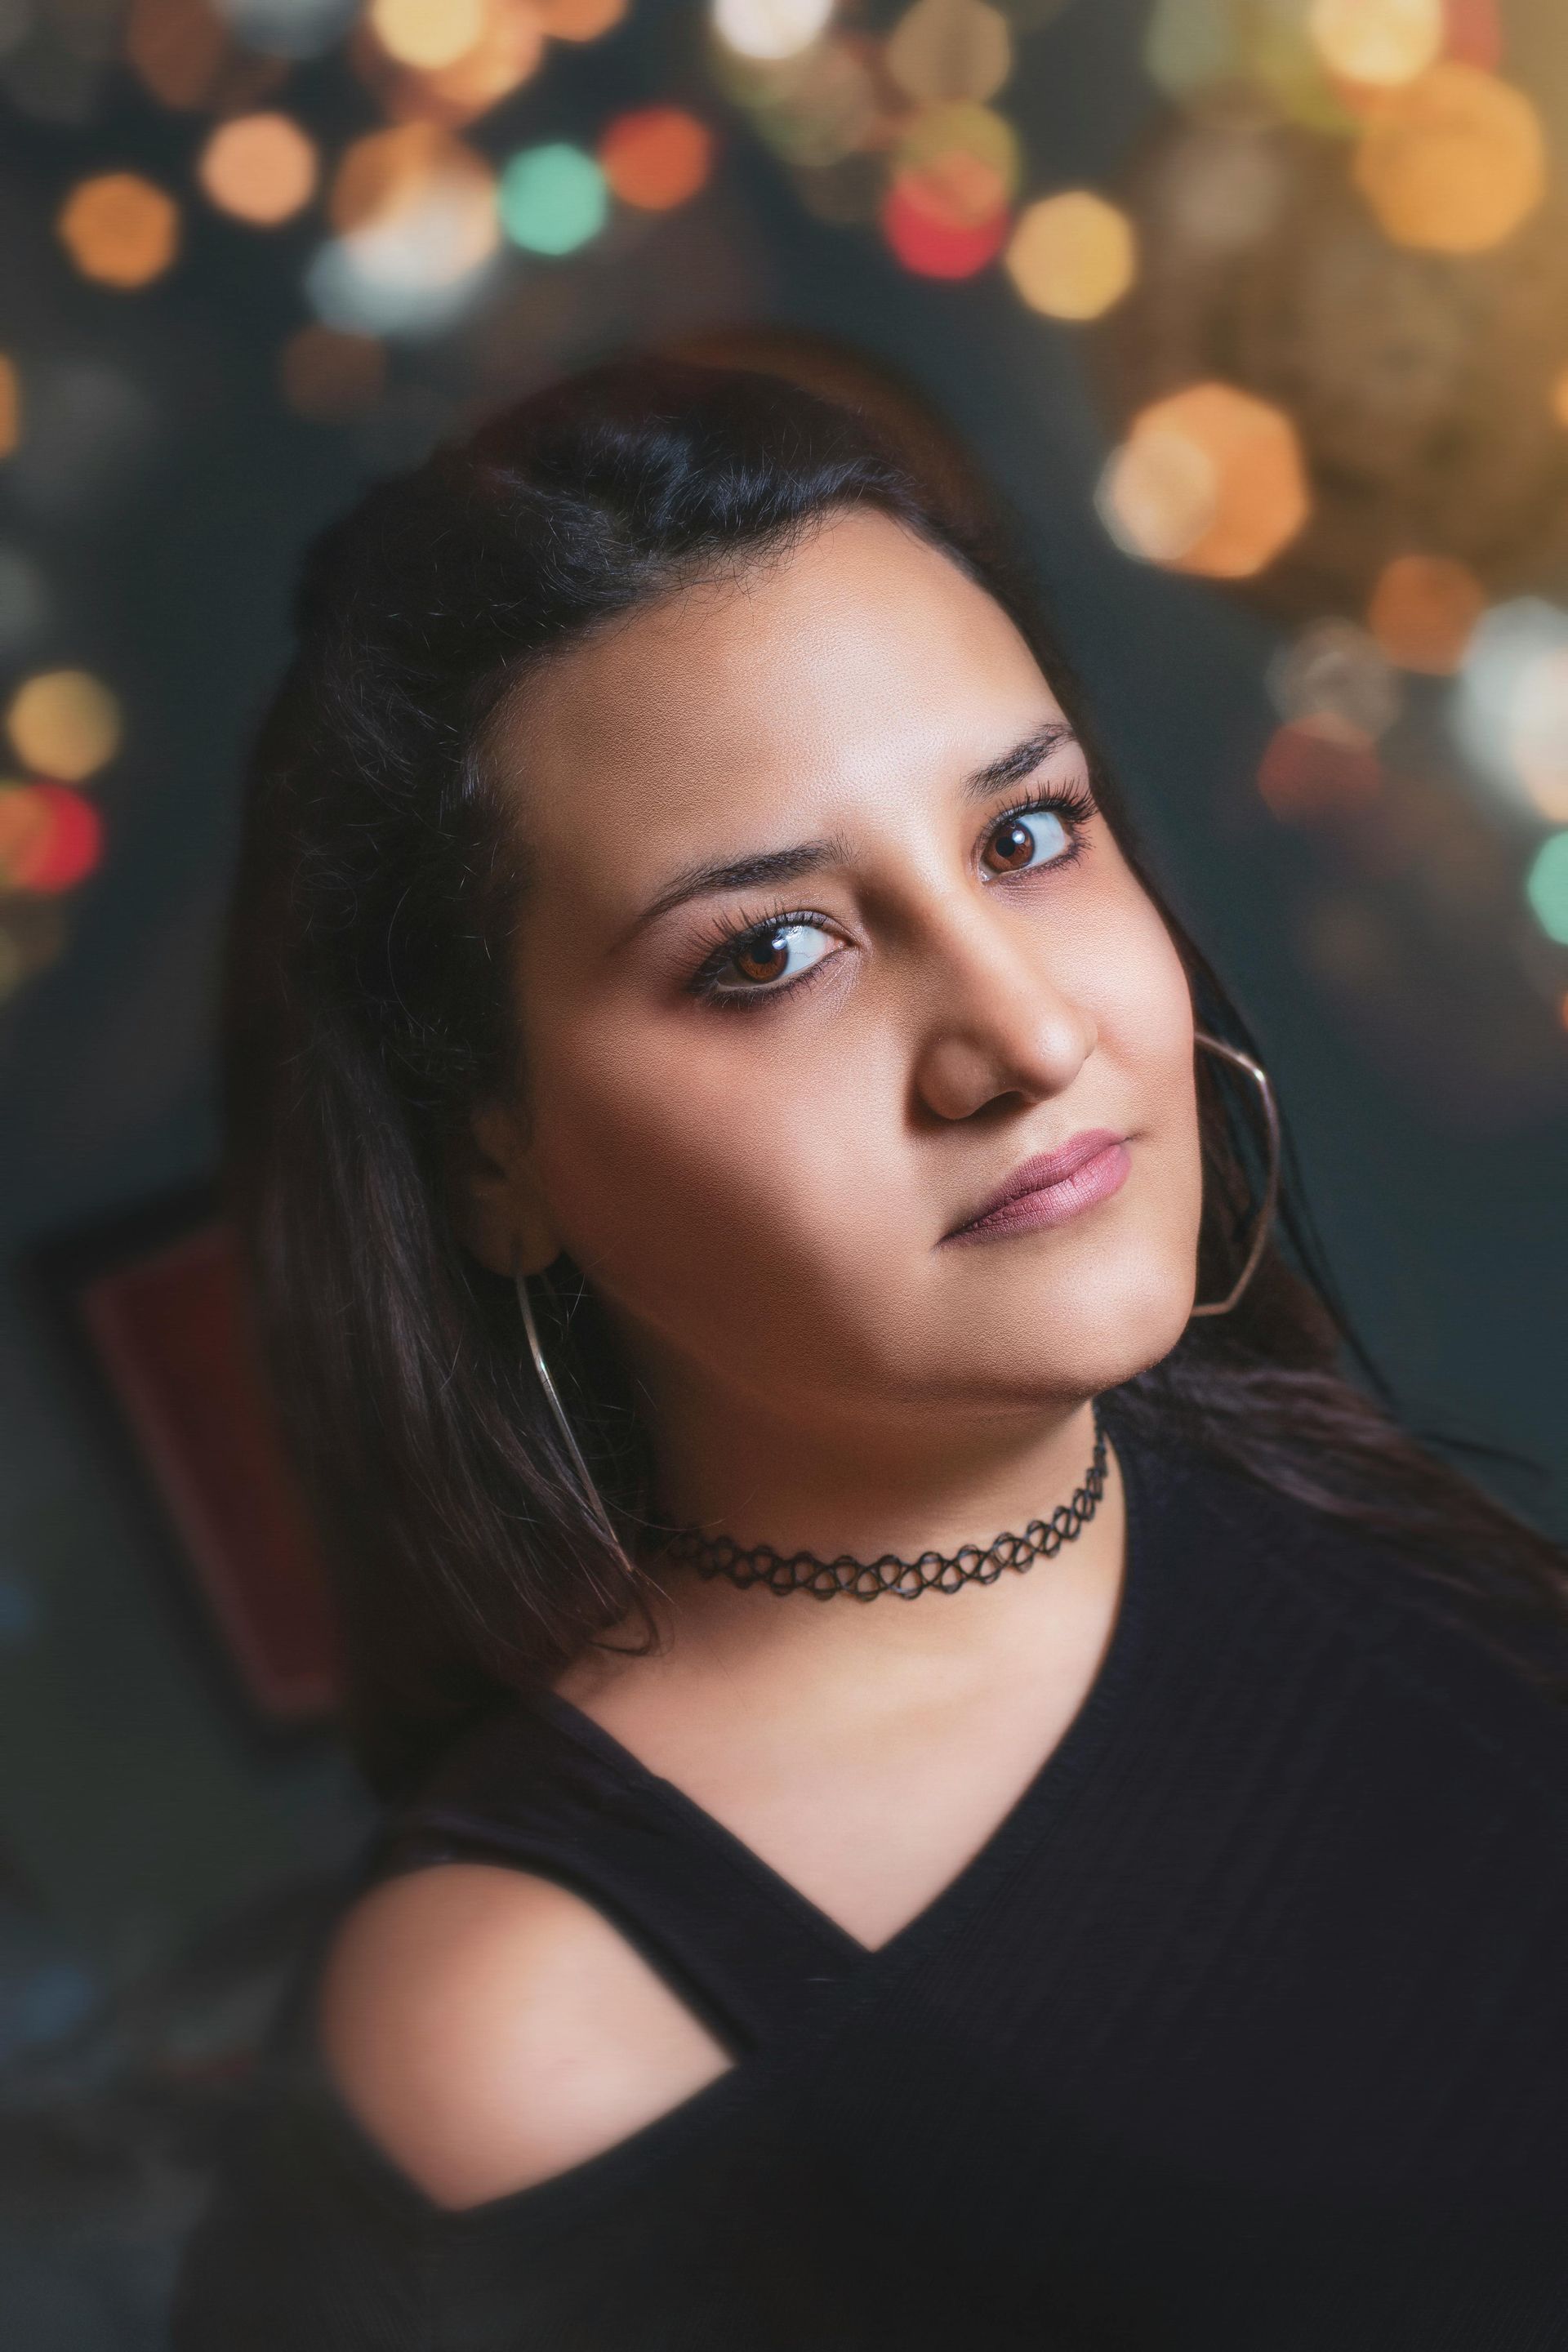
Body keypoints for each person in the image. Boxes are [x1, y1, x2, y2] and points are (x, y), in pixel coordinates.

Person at [172, 345, 1568, 2351]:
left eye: (1025, 838)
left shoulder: (1262, 1459)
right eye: (771, 954)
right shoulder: (534, 2020)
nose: (1020, 1034)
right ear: (498, 1160)